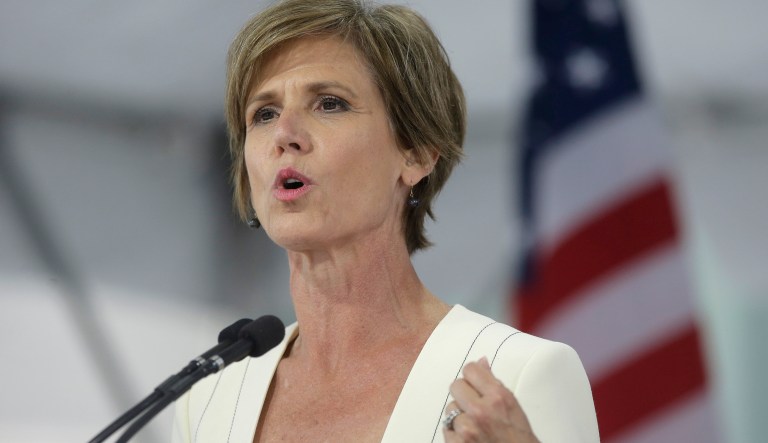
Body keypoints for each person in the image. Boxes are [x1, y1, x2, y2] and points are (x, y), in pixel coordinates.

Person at [172, 0, 600, 441]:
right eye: (264, 113)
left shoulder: (518, 375)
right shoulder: (209, 395)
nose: (284, 135)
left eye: (329, 104)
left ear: (416, 154)